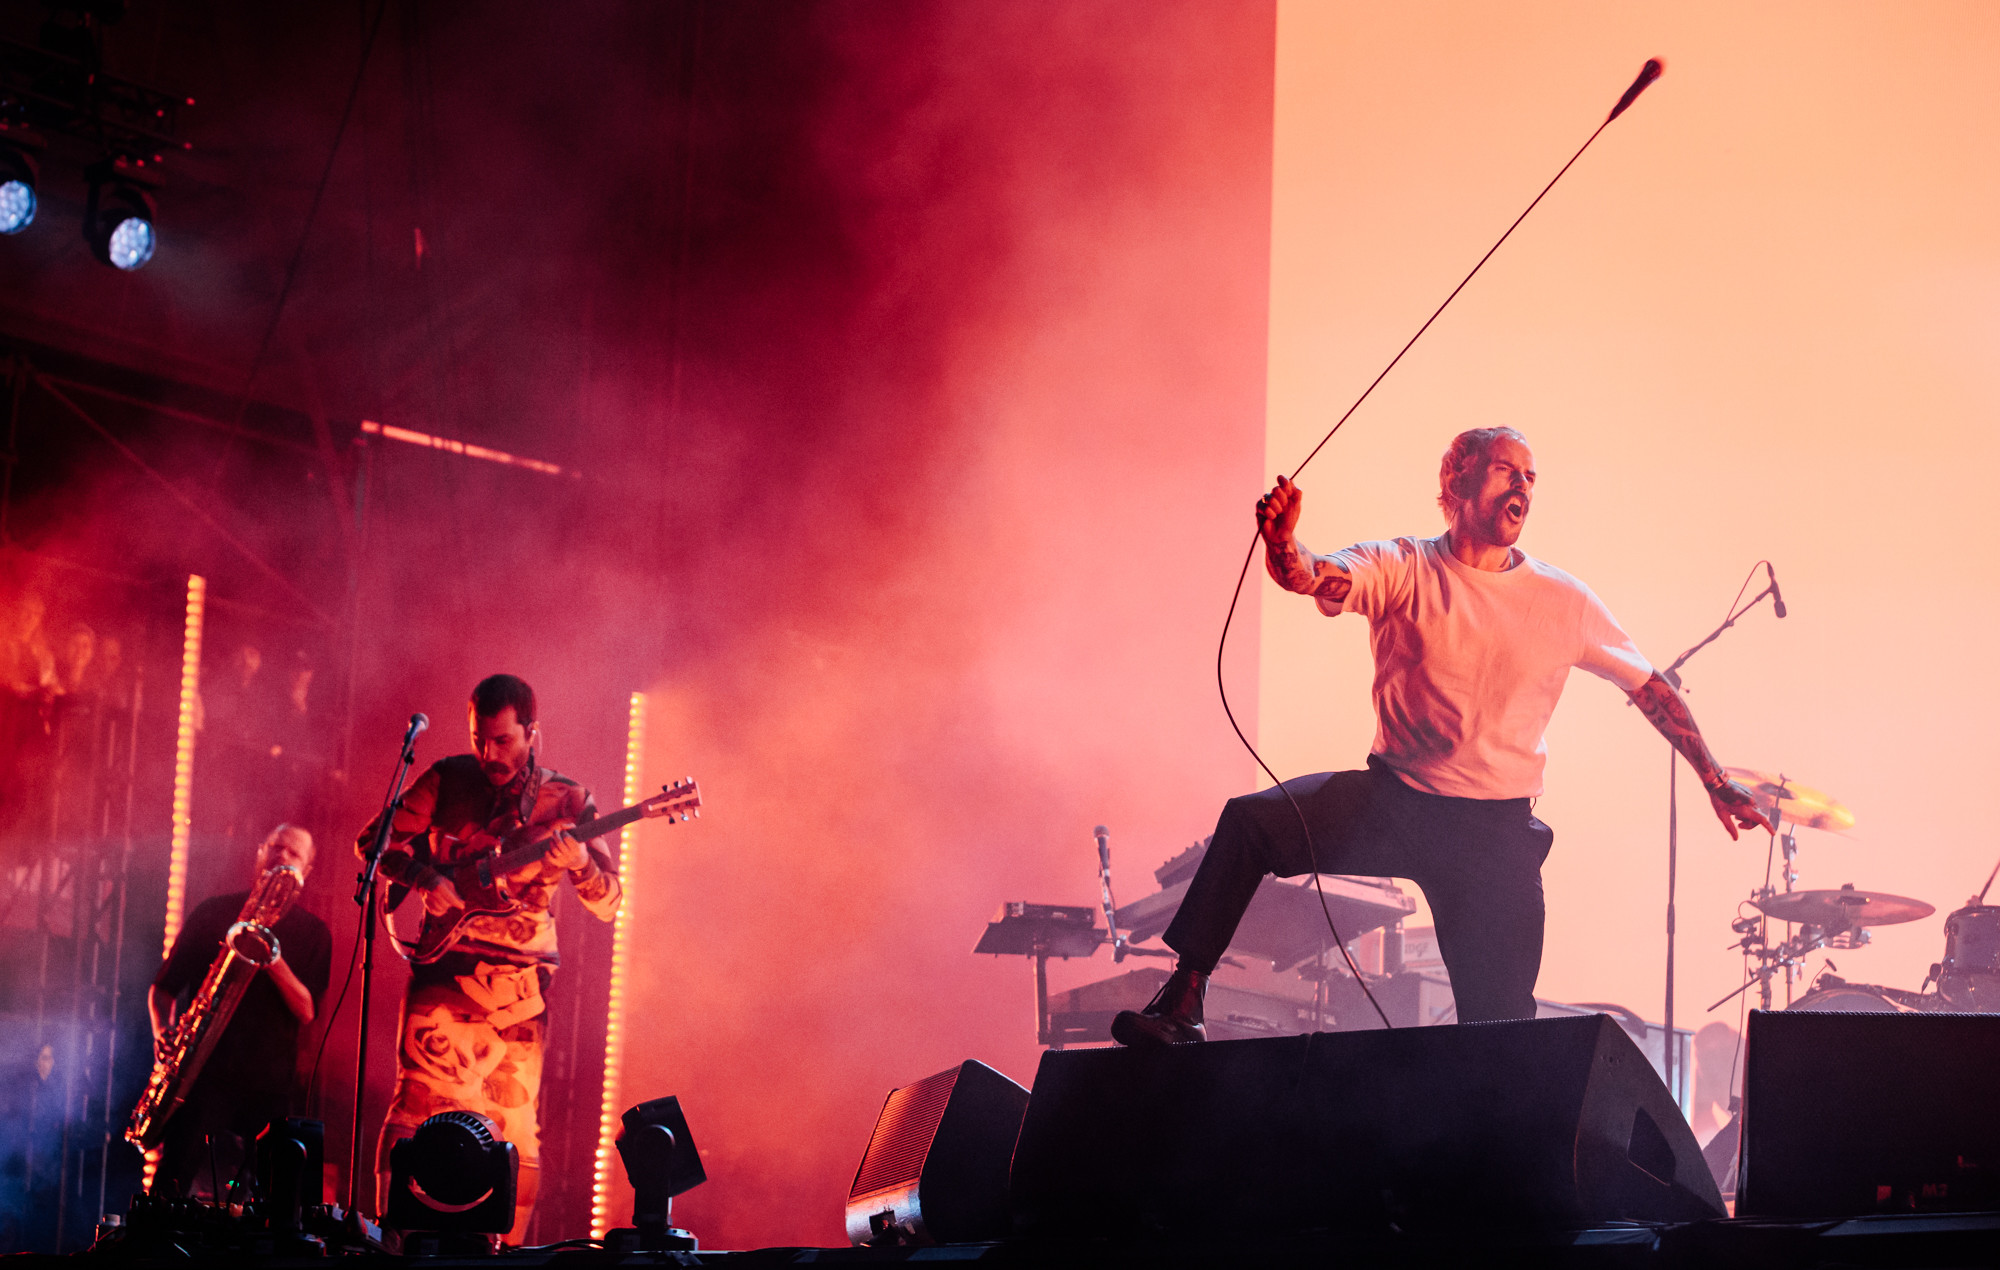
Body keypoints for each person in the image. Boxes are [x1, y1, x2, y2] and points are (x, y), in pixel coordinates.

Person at [1113, 427, 1771, 1046]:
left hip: (1494, 838)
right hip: (1394, 806)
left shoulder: (1562, 599)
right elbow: (1308, 574)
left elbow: (1650, 689)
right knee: (1253, 823)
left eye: (1531, 477)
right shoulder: (1402, 567)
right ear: (1455, 481)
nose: (1523, 487)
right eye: (1505, 470)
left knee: (1500, 1030)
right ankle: (1184, 995)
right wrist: (1283, 544)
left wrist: (1715, 779)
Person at [356, 674, 621, 1243]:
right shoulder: (448, 778)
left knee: (516, 1125)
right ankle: (394, 1242)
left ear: (533, 733)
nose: (489, 754)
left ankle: (507, 1256)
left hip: (518, 991)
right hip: (443, 974)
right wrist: (424, 875)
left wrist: (577, 864)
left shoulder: (569, 799)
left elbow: (609, 902)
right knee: (414, 1106)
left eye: (502, 741)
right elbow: (372, 843)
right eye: (480, 739)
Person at [148, 824, 331, 1196]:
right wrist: (161, 1033)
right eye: (276, 848)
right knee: (172, 1182)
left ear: (306, 872)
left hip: (269, 1082)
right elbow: (163, 988)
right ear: (260, 854)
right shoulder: (214, 912)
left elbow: (307, 1010)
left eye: (293, 854)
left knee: (272, 1194)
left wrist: (271, 958)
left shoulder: (314, 932)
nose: (282, 857)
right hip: (204, 1072)